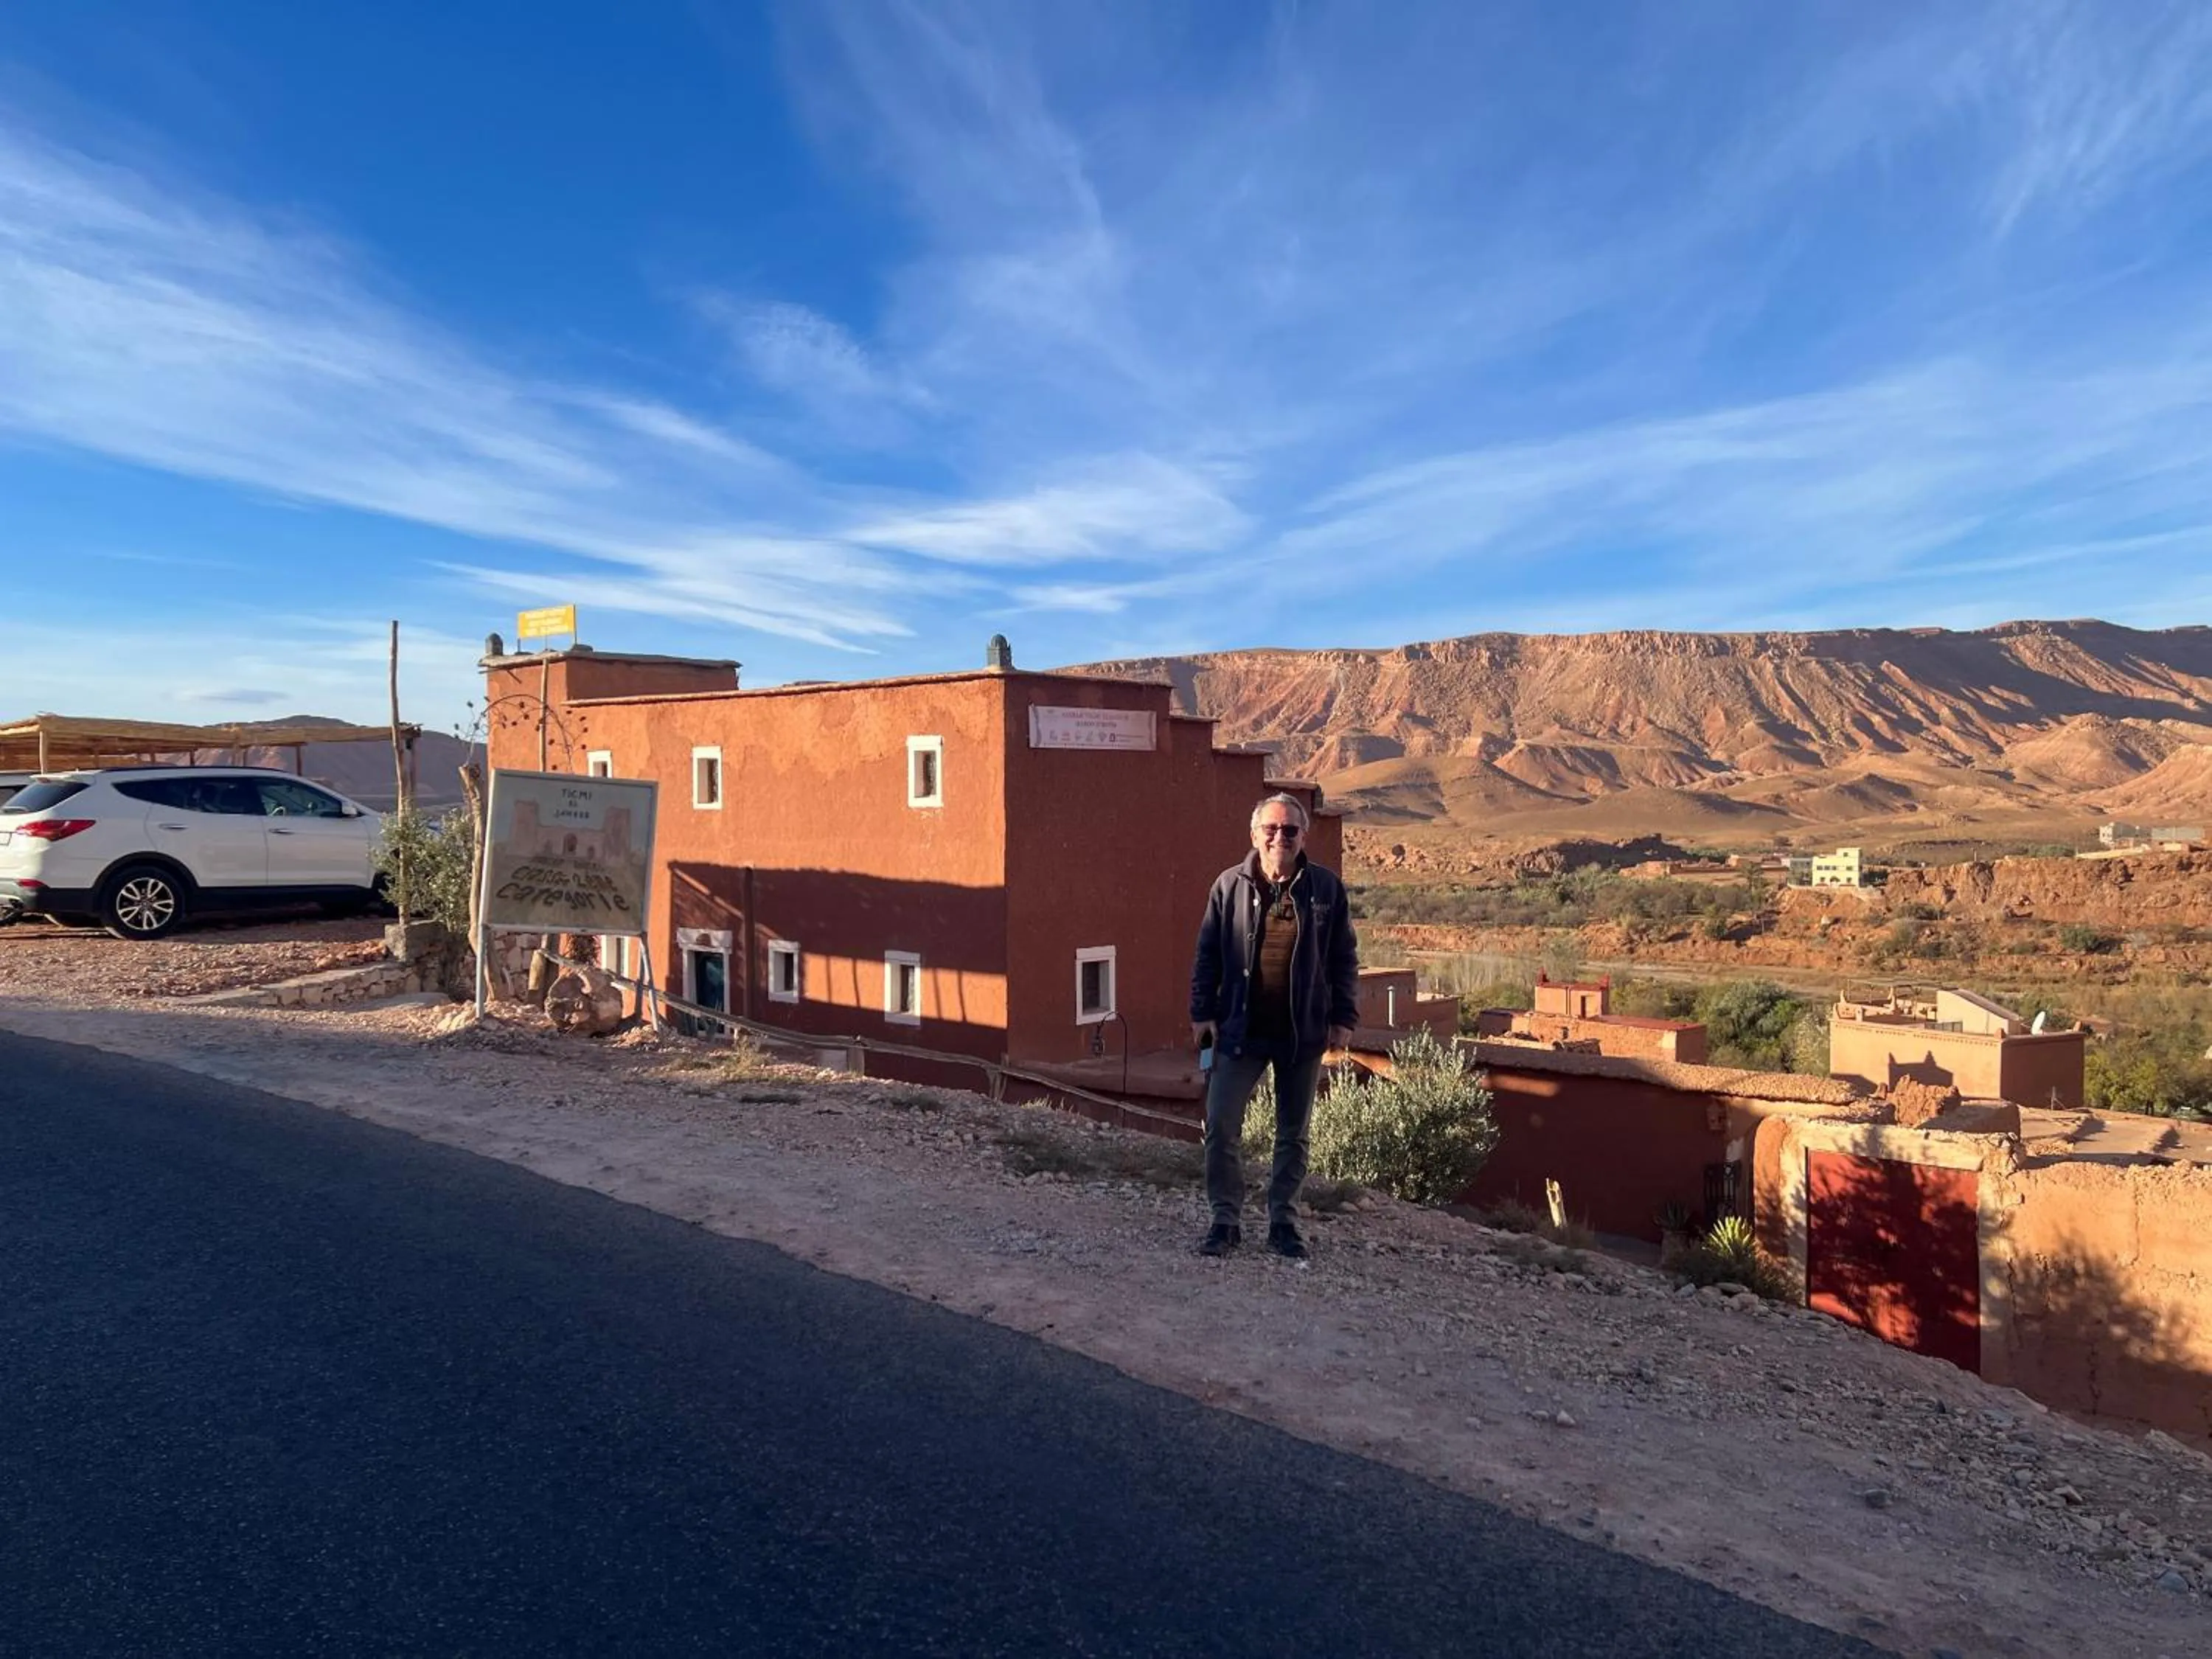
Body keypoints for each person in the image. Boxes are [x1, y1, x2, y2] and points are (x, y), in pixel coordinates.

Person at [1188, 792, 1359, 1259]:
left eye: (1290, 830)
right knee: (1221, 1125)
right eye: (1271, 829)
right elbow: (1207, 956)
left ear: (1304, 836)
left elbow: (1344, 958)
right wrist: (1201, 1013)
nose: (1280, 837)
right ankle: (1225, 1220)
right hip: (1239, 1030)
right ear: (1255, 835)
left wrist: (1344, 1017)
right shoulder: (1228, 886)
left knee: (1293, 1133)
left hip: (1301, 1033)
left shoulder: (1325, 889)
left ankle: (1283, 1222)